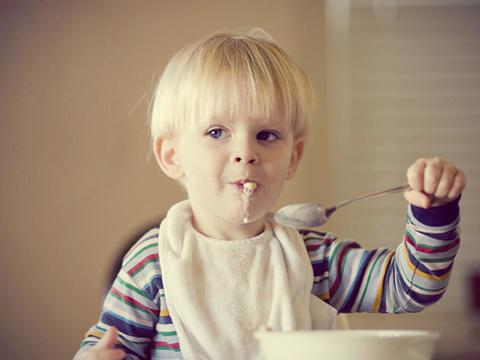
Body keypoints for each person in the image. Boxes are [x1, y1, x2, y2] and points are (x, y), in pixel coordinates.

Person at [73, 28, 466, 360]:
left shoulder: (310, 259)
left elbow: (410, 287)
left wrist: (435, 214)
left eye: (267, 135)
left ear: (292, 158)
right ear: (173, 156)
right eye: (216, 132)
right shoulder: (153, 262)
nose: (246, 152)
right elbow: (109, 343)